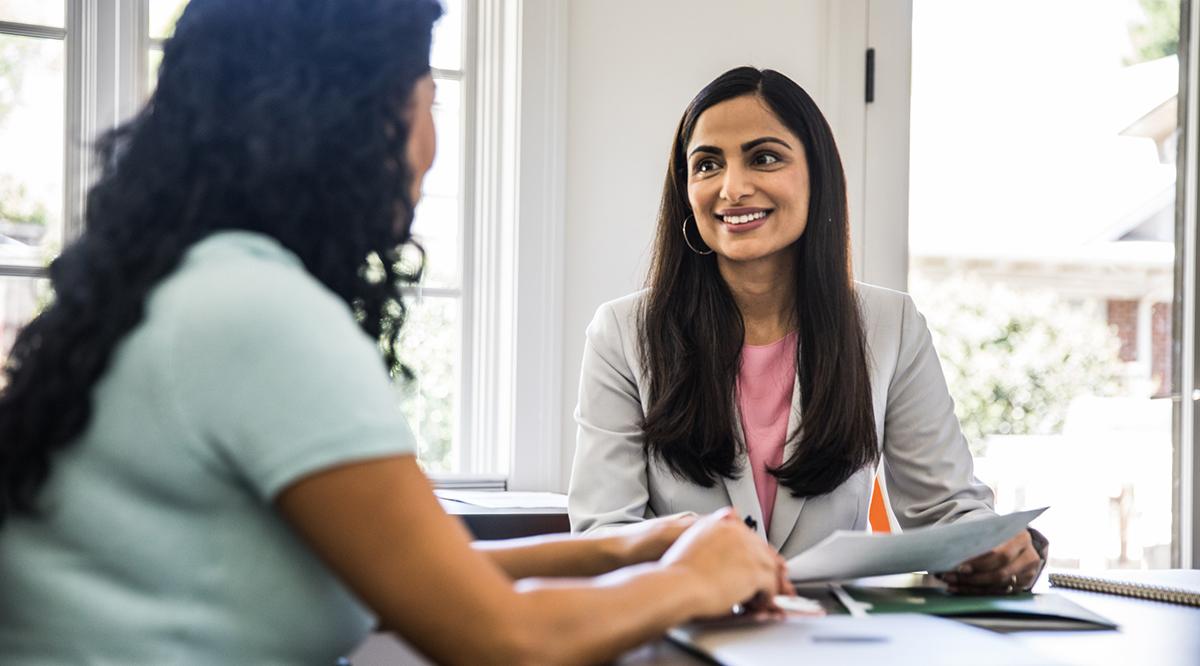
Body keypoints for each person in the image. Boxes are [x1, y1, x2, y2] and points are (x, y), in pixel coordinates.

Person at [0, 3, 792, 663]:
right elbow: (501, 637)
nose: (433, 148)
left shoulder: (190, 283)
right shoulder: (260, 315)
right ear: (356, 119)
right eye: (429, 102)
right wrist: (695, 578)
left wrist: (624, 550)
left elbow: (411, 571)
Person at [568, 66, 1048, 596]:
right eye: (707, 165)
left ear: (816, 175)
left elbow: (945, 510)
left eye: (764, 157)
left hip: (834, 641)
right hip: (684, 634)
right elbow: (602, 536)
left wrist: (992, 547)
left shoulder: (891, 325)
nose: (733, 187)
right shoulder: (622, 334)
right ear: (686, 191)